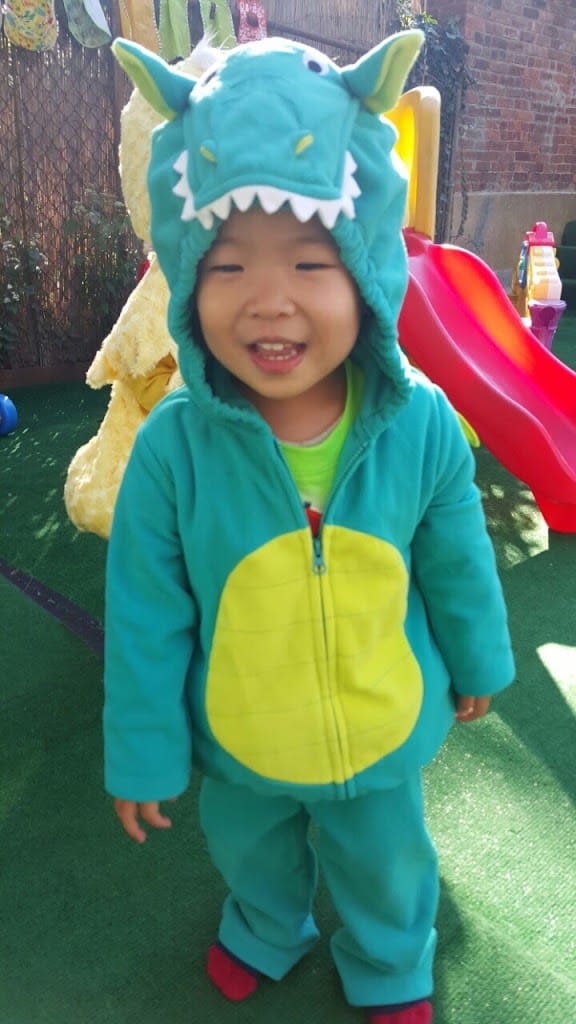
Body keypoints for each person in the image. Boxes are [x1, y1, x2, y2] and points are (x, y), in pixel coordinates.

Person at [104, 30, 515, 1024]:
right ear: (186, 276)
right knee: (250, 846)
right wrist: (145, 752)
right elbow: (147, 614)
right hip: (242, 733)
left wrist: (478, 660)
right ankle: (264, 925)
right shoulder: (172, 449)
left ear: (366, 269)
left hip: (379, 727)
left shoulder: (418, 423)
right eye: (227, 264)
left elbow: (457, 556)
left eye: (310, 260)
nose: (270, 300)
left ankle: (390, 958)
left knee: (388, 860)